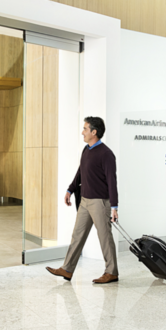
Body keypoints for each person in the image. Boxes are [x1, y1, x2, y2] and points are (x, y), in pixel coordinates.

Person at [47, 117, 119, 284]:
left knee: (104, 237)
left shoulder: (106, 154)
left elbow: (112, 181)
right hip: (85, 201)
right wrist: (70, 189)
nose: (82, 132)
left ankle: (112, 271)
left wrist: (114, 207)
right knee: (77, 235)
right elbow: (81, 171)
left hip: (100, 203)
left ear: (94, 132)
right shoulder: (86, 150)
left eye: (85, 129)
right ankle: (67, 269)